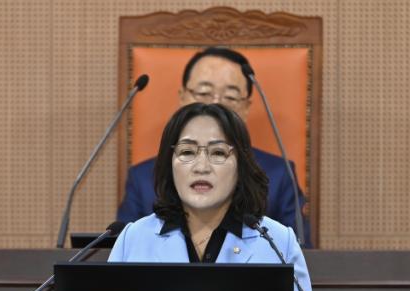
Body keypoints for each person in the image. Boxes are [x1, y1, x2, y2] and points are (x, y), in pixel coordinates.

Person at [109, 103, 315, 291]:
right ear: (169, 163)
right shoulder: (133, 239)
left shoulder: (278, 242)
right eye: (187, 152)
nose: (201, 167)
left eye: (218, 153)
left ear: (241, 165)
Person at [117, 47, 312, 247]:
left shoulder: (279, 175)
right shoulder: (142, 178)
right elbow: (125, 254)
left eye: (230, 96)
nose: (216, 104)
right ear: (182, 97)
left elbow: (300, 254)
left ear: (246, 107)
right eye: (204, 92)